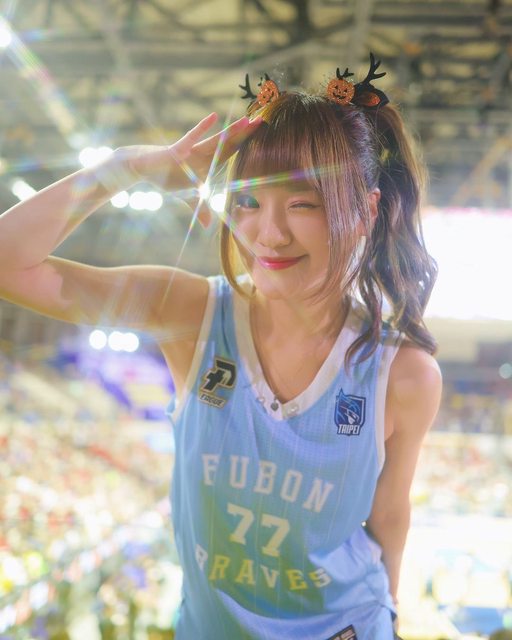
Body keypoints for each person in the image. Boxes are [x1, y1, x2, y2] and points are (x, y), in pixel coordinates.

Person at [0, 55, 442, 639]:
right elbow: (9, 263)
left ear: (365, 211)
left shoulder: (403, 372)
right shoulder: (189, 313)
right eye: (249, 202)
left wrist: (390, 614)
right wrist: (125, 167)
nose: (268, 234)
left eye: (303, 204)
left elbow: (389, 513)